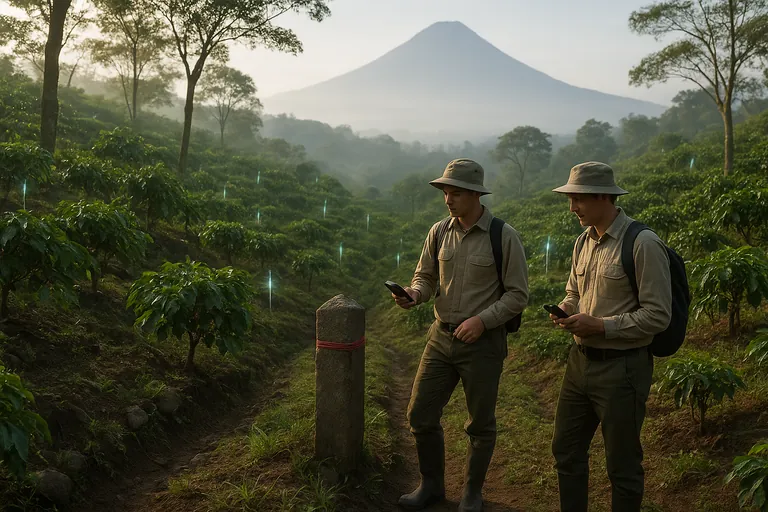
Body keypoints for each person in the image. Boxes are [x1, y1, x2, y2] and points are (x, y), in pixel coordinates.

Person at [392, 158, 528, 512]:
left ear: (474, 194)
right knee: (420, 414)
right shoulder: (438, 232)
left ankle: (472, 492)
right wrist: (414, 295)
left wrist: (482, 321)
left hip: (482, 344)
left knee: (480, 423)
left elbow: (517, 295)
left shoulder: (503, 236)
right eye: (445, 193)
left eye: (454, 193)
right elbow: (425, 276)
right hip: (440, 338)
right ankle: (432, 486)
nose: (447, 200)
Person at [549, 161, 672, 512]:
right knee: (566, 449)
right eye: (570, 200)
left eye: (578, 200)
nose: (572, 208)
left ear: (604, 196)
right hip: (579, 364)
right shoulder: (582, 242)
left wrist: (601, 326)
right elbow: (574, 291)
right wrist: (567, 310)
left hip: (623, 369)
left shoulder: (642, 243)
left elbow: (658, 315)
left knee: (622, 464)